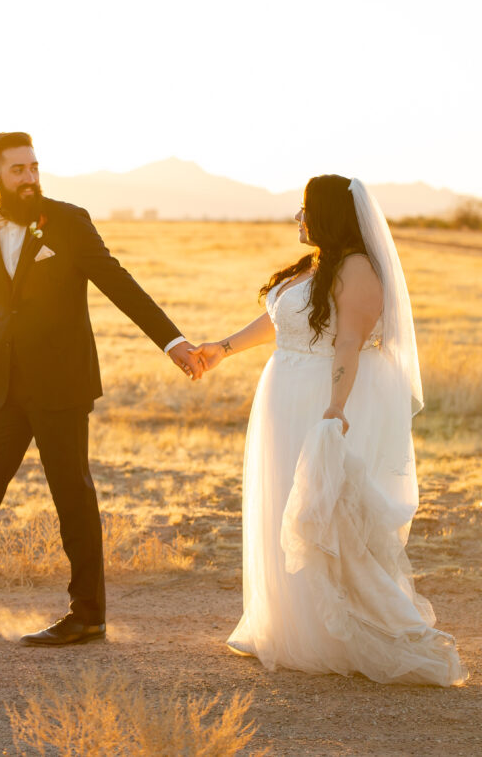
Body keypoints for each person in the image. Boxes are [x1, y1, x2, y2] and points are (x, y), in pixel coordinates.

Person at [0, 132, 202, 646]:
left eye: (34, 166)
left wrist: (172, 342)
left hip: (61, 384)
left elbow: (117, 281)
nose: (30, 177)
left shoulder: (68, 219)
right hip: (2, 389)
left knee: (71, 495)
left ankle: (88, 616)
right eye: (18, 170)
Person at [190, 174, 466, 685]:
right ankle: (288, 625)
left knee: (324, 512)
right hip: (282, 397)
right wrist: (221, 349)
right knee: (282, 503)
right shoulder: (314, 267)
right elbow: (280, 323)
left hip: (320, 399)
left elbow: (348, 344)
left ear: (329, 216)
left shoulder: (358, 269)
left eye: (304, 209)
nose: (297, 217)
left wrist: (335, 408)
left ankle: (340, 634)